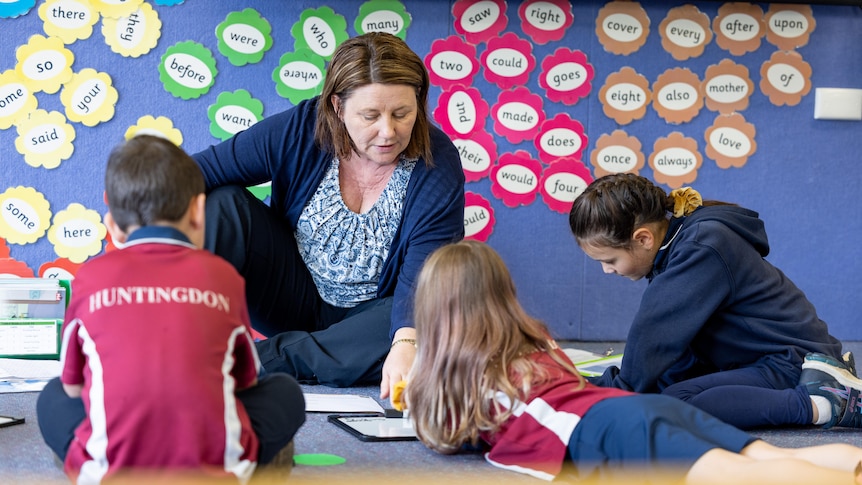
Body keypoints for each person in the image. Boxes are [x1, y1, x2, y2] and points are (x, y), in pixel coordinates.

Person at [399, 240, 862, 484]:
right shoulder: (535, 341)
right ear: (503, 292)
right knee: (769, 458)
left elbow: (443, 433)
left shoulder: (463, 376)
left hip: (608, 429)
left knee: (741, 477)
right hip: (642, 408)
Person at [191, 32, 465, 397]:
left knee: (438, 308)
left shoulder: (437, 162)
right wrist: (141, 229)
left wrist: (407, 345)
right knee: (223, 205)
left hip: (372, 321)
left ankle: (253, 362)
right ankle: (184, 337)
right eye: (370, 115)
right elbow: (200, 171)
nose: (388, 131)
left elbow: (424, 274)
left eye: (402, 113)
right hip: (292, 294)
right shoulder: (302, 128)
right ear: (337, 106)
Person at [36, 135, 305, 484]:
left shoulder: (88, 279)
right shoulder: (222, 276)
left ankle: (88, 463)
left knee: (50, 398)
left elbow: (72, 389)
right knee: (284, 392)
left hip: (111, 473)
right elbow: (245, 384)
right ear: (197, 212)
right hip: (217, 471)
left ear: (112, 225)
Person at [567, 172, 862, 430]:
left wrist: (605, 393)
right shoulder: (679, 244)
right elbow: (673, 351)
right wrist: (593, 386)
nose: (607, 270)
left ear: (643, 238)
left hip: (795, 362)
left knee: (676, 404)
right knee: (663, 391)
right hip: (763, 358)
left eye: (609, 260)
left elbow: (655, 337)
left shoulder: (700, 247)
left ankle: (825, 402)